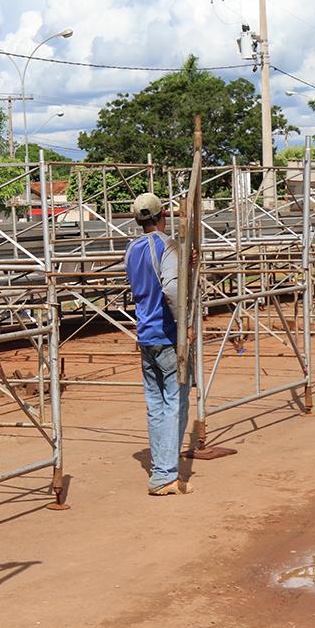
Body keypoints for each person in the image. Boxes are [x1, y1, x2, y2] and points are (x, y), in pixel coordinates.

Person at [124, 192, 195, 496]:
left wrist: (185, 262)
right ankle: (166, 474)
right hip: (166, 333)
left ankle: (159, 468)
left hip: (144, 333)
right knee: (175, 402)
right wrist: (185, 325)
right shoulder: (166, 245)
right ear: (162, 214)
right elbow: (170, 287)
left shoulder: (131, 248)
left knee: (155, 404)